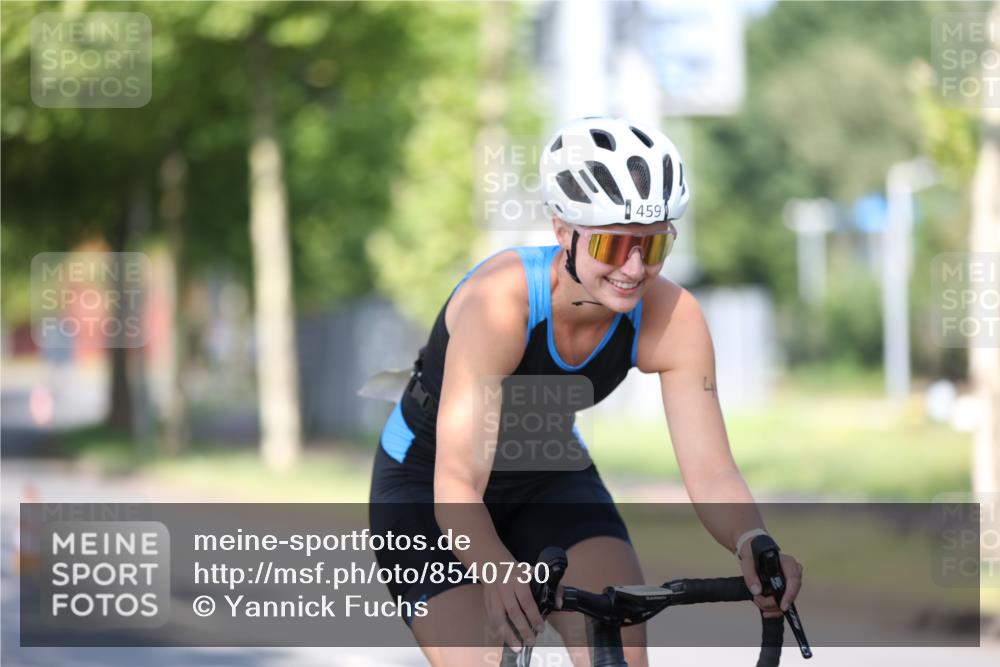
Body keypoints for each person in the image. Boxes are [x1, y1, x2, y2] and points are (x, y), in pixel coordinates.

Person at [369, 117, 803, 667]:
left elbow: (713, 473)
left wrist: (751, 541)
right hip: (430, 486)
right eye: (612, 242)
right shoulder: (501, 306)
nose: (634, 266)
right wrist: (501, 573)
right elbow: (456, 482)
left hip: (547, 469)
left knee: (615, 647)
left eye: (654, 245)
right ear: (562, 230)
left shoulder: (672, 317)